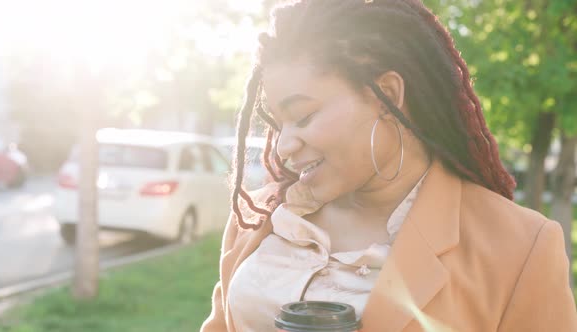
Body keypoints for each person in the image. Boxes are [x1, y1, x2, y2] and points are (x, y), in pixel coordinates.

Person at [201, 0, 577, 331]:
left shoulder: (521, 247)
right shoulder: (257, 218)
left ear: (388, 96)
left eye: (302, 116)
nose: (283, 146)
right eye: (277, 125)